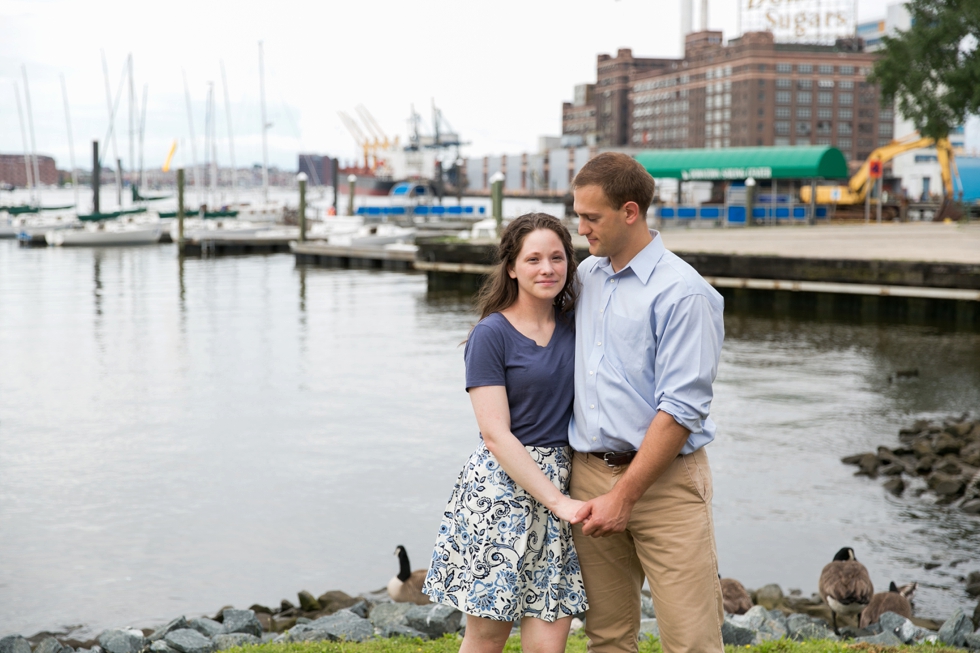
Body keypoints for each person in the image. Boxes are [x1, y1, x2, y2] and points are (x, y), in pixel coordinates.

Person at [567, 152, 726, 653]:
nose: (581, 228)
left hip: (665, 486)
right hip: (590, 476)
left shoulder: (684, 294)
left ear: (630, 211)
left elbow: (681, 409)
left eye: (591, 217)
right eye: (578, 215)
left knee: (692, 641)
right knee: (608, 639)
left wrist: (626, 495)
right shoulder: (585, 277)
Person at [423, 213, 589, 653]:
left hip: (565, 485)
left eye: (557, 257)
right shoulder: (490, 335)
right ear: (511, 267)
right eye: (533, 258)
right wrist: (558, 502)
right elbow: (495, 434)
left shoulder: (579, 326)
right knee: (487, 638)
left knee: (550, 640)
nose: (547, 268)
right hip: (501, 493)